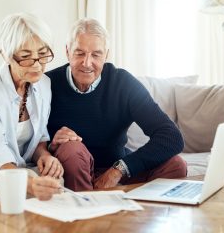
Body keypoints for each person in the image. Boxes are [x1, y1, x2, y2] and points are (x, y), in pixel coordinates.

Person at [46, 18, 187, 191]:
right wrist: (51, 145)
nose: (87, 63)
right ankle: (86, 212)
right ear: (67, 52)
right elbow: (26, 141)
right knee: (72, 150)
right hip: (73, 167)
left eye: (96, 54)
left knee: (176, 164)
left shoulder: (123, 83)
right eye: (79, 53)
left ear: (106, 55)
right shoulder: (47, 84)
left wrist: (118, 170)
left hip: (116, 169)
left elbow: (172, 137)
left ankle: (135, 214)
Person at [0, 13, 64, 201]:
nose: (37, 66)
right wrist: (29, 183)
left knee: (56, 180)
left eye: (42, 54)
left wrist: (45, 156)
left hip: (19, 166)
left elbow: (40, 137)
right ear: (5, 55)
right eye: (26, 56)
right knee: (24, 188)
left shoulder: (44, 85)